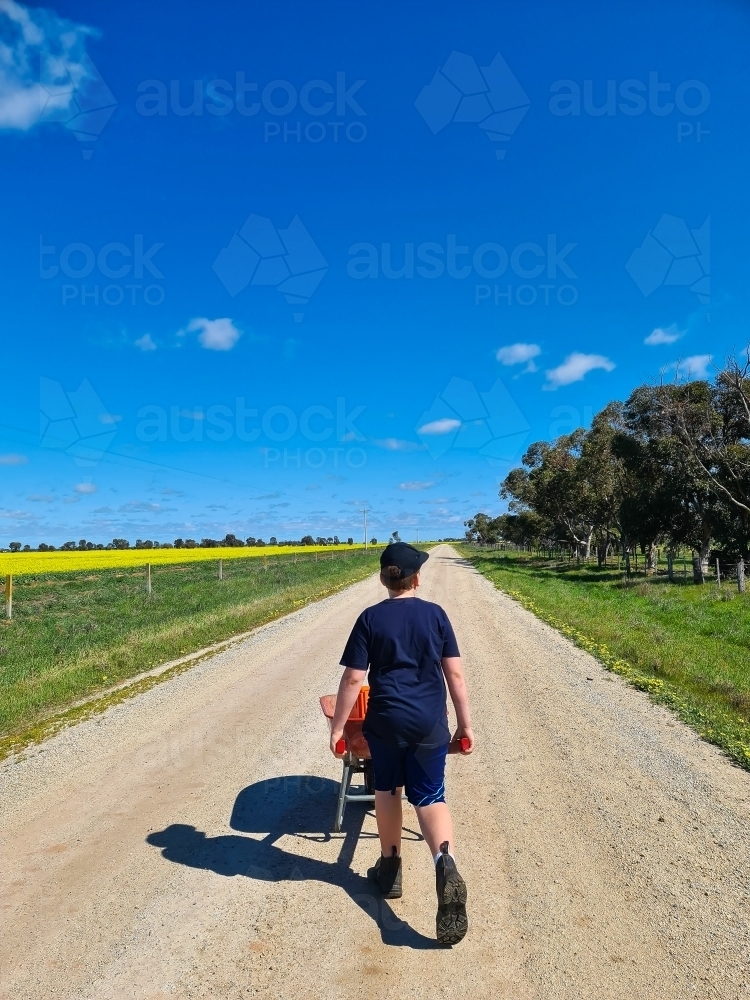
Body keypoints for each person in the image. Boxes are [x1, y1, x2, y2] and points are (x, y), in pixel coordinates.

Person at [329, 542, 474, 945]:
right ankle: (444, 860)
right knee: (430, 797)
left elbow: (353, 680)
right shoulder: (436, 615)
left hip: (386, 723)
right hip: (429, 724)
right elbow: (455, 677)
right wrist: (465, 725)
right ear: (417, 578)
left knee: (387, 789)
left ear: (383, 579)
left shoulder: (369, 618)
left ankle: (390, 868)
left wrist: (338, 729)